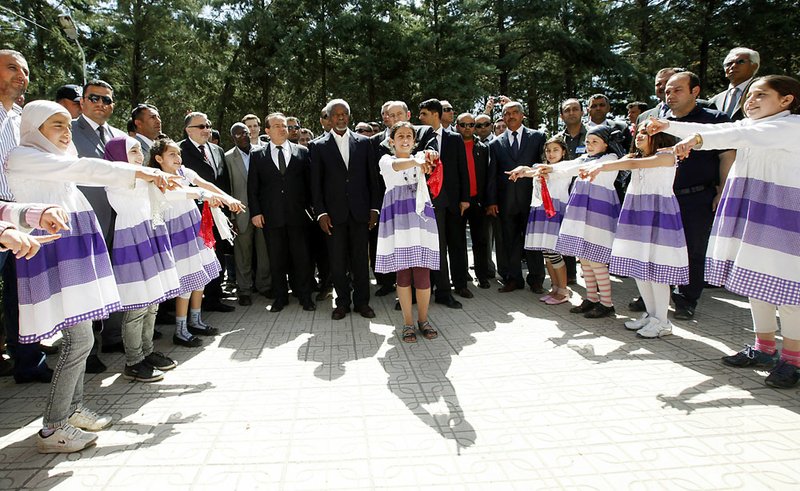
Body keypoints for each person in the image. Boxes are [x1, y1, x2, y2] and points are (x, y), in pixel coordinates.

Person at [6, 100, 175, 453]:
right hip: (54, 254)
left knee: (80, 337)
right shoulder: (25, 156)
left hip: (75, 253)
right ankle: (53, 428)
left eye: (68, 125)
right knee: (78, 341)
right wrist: (140, 172)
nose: (66, 132)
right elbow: (86, 169)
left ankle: (71, 410)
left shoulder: (54, 161)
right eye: (57, 125)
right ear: (34, 128)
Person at [649, 74, 800, 388]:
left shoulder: (789, 126)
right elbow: (719, 130)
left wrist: (695, 141)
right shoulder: (750, 126)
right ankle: (764, 348)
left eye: (761, 95)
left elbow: (726, 136)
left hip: (781, 215)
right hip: (754, 210)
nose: (751, 101)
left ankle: (793, 361)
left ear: (786, 101)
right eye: (749, 96)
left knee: (784, 289)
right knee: (757, 284)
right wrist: (669, 126)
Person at [580, 122, 687, 338]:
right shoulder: (636, 158)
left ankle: (663, 321)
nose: (639, 136)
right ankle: (651, 315)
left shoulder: (667, 155)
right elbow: (630, 162)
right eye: (638, 132)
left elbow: (630, 164)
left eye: (646, 133)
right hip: (636, 212)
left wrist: (601, 166)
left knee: (657, 270)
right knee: (640, 268)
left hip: (657, 215)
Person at [150, 137, 243, 347]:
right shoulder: (158, 179)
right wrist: (205, 195)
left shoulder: (184, 172)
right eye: (172, 154)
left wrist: (228, 198)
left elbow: (206, 183)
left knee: (199, 276)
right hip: (176, 231)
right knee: (186, 279)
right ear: (158, 158)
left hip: (194, 226)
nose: (177, 158)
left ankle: (196, 320)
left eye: (178, 153)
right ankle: (181, 330)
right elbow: (183, 193)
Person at [103, 137, 180, 382]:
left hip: (150, 234)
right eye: (132, 150)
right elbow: (134, 177)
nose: (138, 154)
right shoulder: (116, 177)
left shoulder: (145, 176)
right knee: (137, 304)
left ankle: (147, 353)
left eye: (139, 150)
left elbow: (174, 192)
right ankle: (133, 361)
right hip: (132, 238)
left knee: (152, 302)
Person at [0, 49, 55, 383]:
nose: (21, 75)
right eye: (11, 68)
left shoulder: (22, 121)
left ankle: (28, 362)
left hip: (23, 215)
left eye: (24, 69)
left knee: (22, 293)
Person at [536, 125, 624, 318]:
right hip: (580, 212)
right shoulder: (585, 158)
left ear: (606, 144)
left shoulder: (610, 159)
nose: (590, 145)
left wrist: (553, 168)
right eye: (587, 142)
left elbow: (575, 167)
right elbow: (567, 166)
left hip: (598, 212)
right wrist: (545, 168)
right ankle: (591, 298)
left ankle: (607, 303)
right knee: (584, 258)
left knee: (597, 260)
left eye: (595, 142)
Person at [309, 99, 379, 320]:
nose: (340, 118)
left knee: (360, 261)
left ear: (349, 116)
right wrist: (320, 213)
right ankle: (342, 303)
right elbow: (315, 184)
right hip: (333, 216)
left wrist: (374, 209)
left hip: (360, 213)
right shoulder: (318, 146)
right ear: (328, 118)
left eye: (344, 114)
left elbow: (372, 180)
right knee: (337, 263)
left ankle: (362, 303)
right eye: (336, 114)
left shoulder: (364, 143)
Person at [376, 122, 440, 342]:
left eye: (409, 136)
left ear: (414, 140)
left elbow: (434, 168)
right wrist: (419, 160)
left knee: (423, 272)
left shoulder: (422, 157)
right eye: (400, 136)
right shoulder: (386, 160)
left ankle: (423, 319)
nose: (405, 140)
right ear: (392, 141)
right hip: (399, 221)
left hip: (421, 218)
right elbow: (397, 167)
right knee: (403, 274)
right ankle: (407, 322)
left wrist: (429, 158)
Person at [248, 113, 315, 312]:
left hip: (298, 215)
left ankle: (305, 297)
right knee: (276, 259)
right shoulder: (257, 155)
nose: (282, 129)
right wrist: (256, 212)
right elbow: (253, 188)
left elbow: (309, 184)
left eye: (284, 125)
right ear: (267, 131)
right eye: (277, 126)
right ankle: (280, 298)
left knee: (301, 258)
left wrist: (313, 210)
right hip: (271, 215)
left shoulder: (302, 152)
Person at [486, 101, 546, 294]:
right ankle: (513, 279)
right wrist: (492, 201)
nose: (510, 116)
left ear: (522, 115)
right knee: (509, 241)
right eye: (506, 113)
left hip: (532, 199)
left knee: (533, 240)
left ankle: (536, 279)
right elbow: (492, 175)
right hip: (506, 202)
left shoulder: (537, 137)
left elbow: (543, 166)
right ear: (503, 117)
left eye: (514, 113)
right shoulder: (495, 143)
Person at [507, 137, 573, 305]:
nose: (551, 154)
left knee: (554, 252)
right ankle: (555, 288)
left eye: (555, 150)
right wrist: (522, 171)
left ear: (563, 151)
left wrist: (524, 169)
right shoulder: (540, 168)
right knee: (547, 253)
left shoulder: (565, 166)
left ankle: (564, 290)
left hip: (555, 210)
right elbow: (533, 171)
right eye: (548, 150)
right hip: (540, 209)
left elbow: (538, 170)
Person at [180, 112, 235, 313]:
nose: (206, 130)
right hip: (193, 214)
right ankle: (193, 304)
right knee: (197, 257)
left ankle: (214, 297)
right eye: (201, 126)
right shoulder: (179, 151)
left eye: (208, 125)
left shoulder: (217, 150)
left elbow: (223, 181)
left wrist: (228, 210)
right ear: (188, 130)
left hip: (217, 213)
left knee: (218, 254)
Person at [418, 98, 471, 306]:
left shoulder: (455, 138)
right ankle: (439, 291)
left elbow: (462, 169)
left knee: (457, 244)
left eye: (424, 114)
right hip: (429, 201)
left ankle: (460, 284)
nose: (420, 118)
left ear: (435, 115)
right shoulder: (419, 137)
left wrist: (465, 198)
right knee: (435, 247)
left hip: (453, 200)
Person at [224, 122, 271, 306]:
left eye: (245, 132)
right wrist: (232, 217)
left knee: (264, 251)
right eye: (238, 135)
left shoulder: (263, 151)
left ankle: (265, 285)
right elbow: (228, 189)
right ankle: (244, 290)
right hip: (241, 214)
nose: (243, 136)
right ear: (232, 138)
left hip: (263, 211)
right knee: (243, 253)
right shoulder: (228, 158)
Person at [455, 112, 491, 289]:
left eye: (472, 125)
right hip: (458, 201)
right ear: (457, 126)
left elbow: (489, 176)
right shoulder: (452, 146)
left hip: (478, 200)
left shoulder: (483, 147)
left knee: (480, 240)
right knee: (458, 242)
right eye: (464, 124)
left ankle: (482, 275)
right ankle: (461, 277)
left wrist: (488, 200)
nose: (468, 128)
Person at [709, 47, 760, 121]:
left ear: (754, 66)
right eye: (728, 64)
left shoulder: (763, 94)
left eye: (740, 62)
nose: (733, 66)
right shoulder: (714, 100)